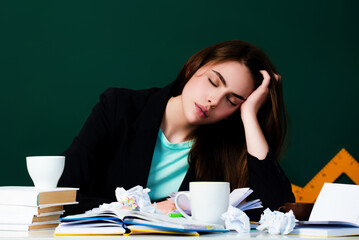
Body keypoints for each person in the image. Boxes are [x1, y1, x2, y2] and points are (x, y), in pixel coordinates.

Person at [58, 40, 295, 220]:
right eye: (213, 82)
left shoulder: (227, 147)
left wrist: (249, 115)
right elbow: (59, 196)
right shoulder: (118, 108)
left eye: (231, 101)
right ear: (194, 67)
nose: (213, 100)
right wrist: (143, 210)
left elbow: (276, 211)